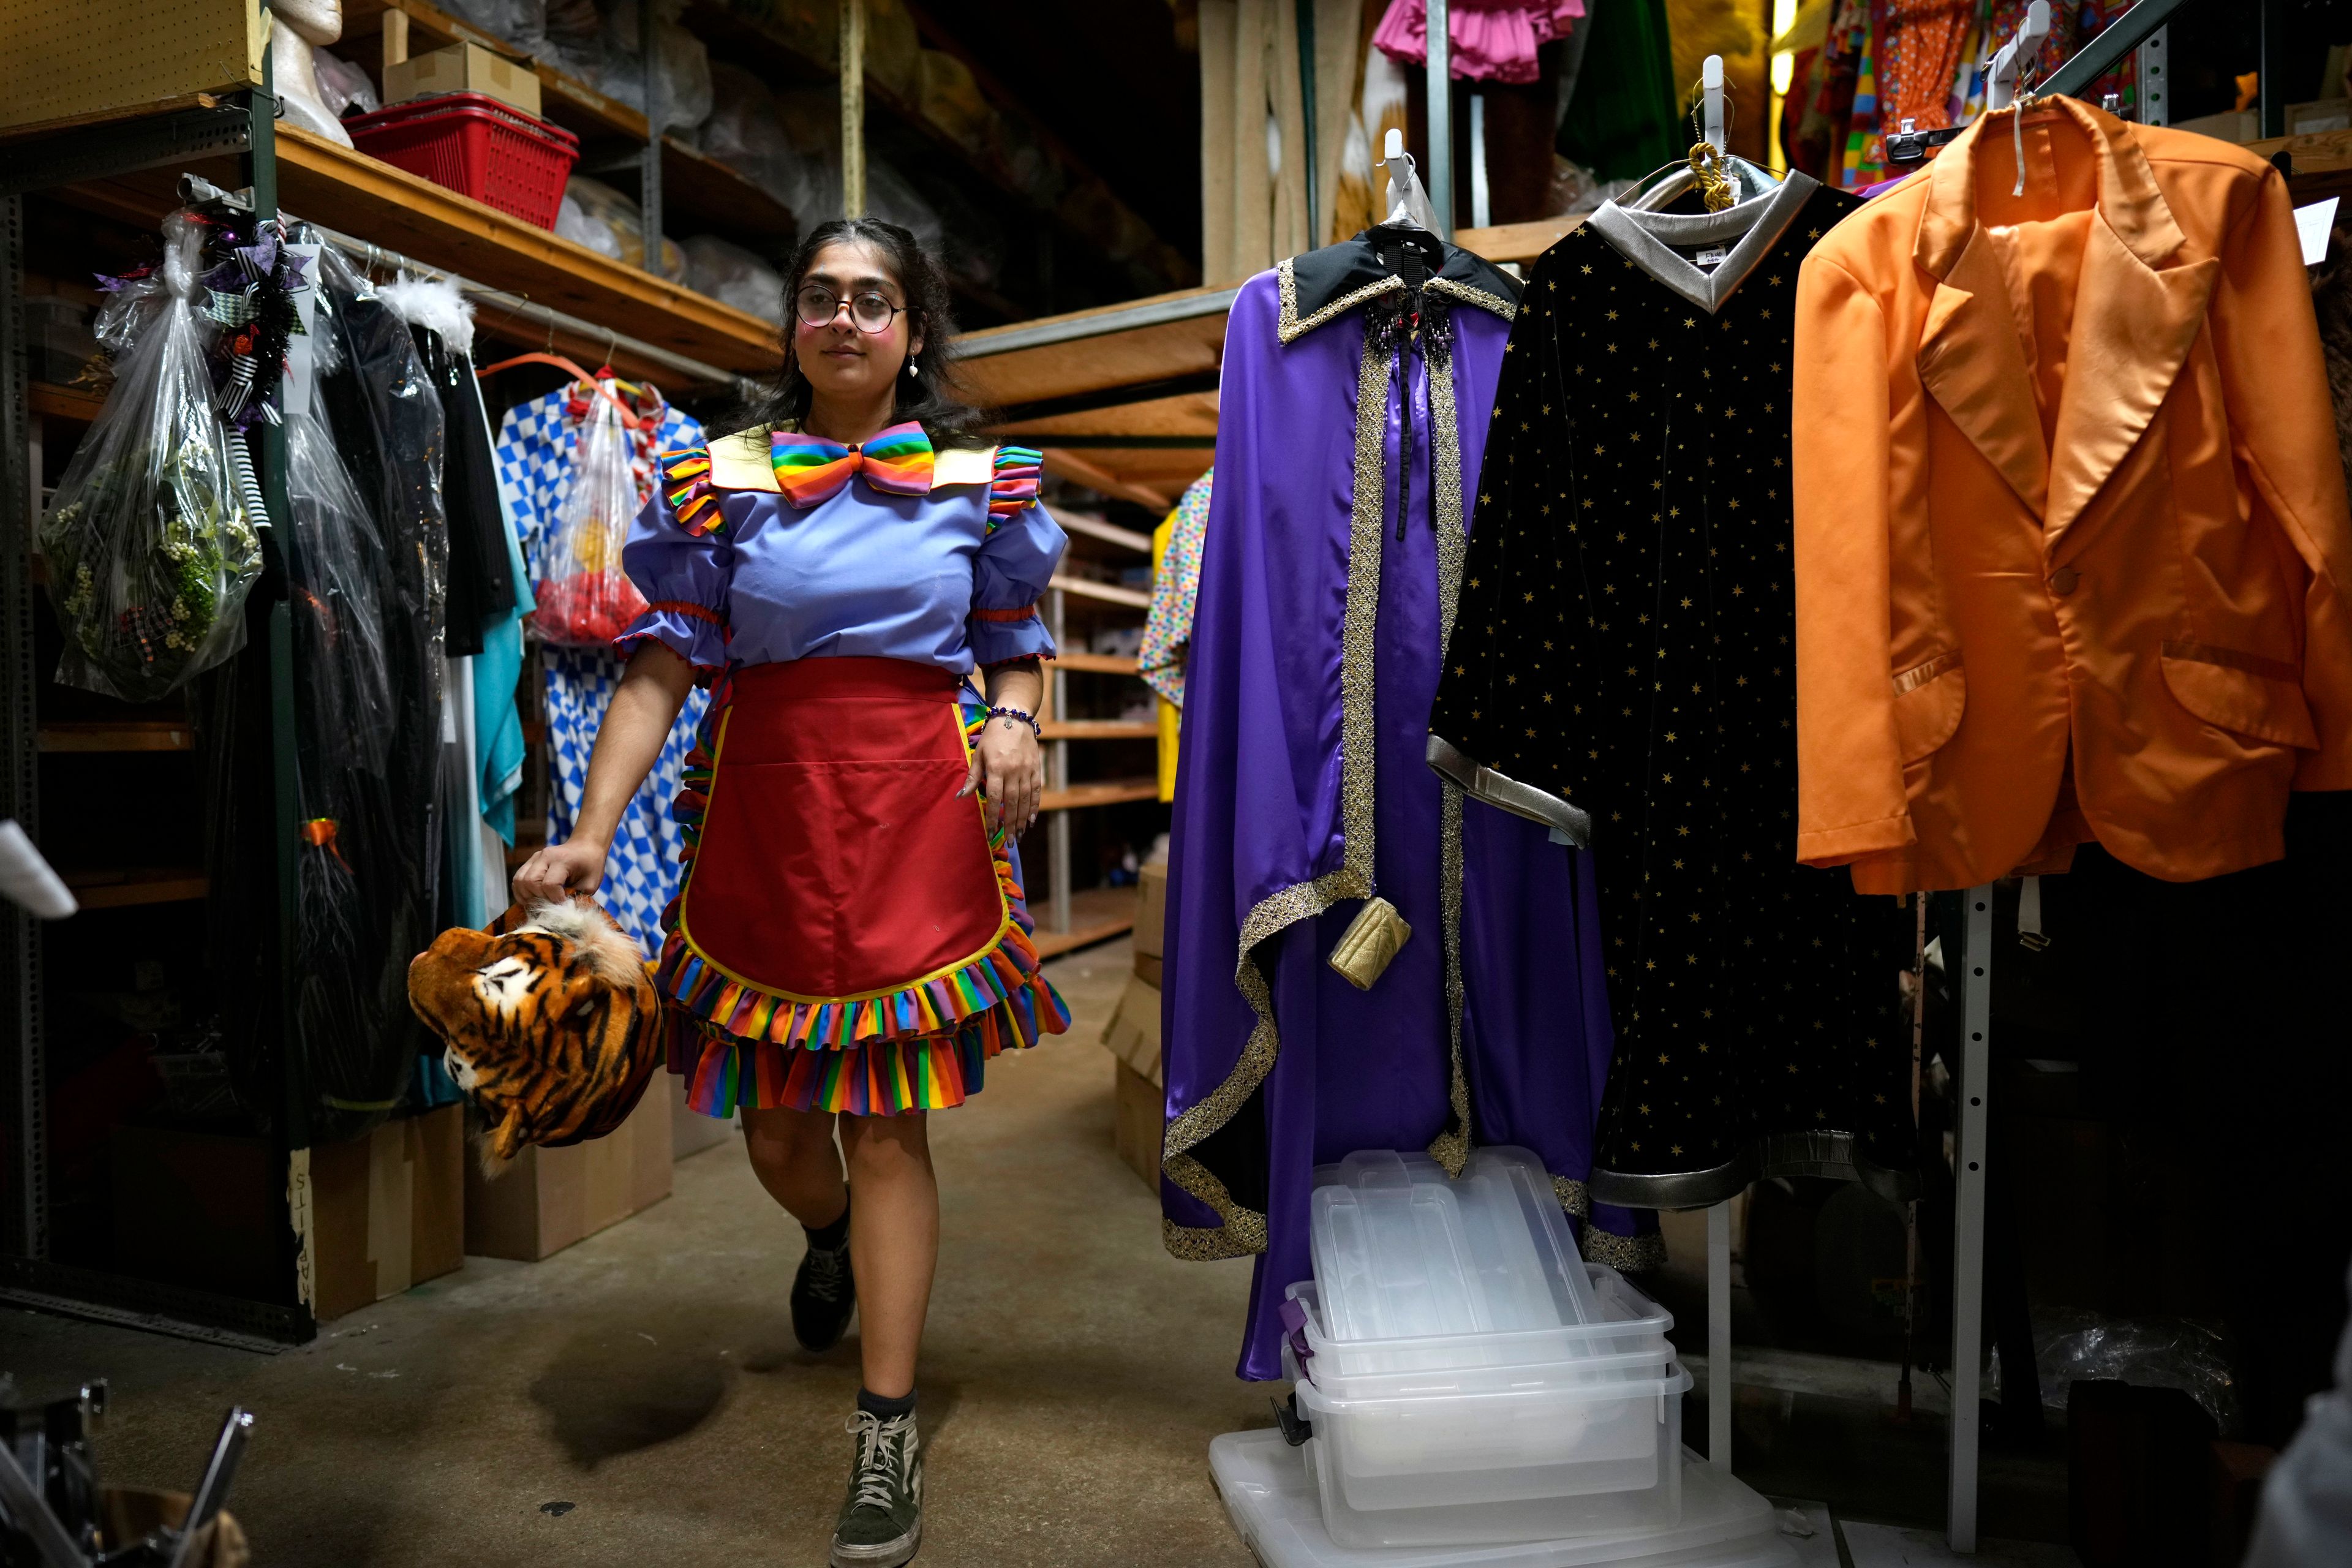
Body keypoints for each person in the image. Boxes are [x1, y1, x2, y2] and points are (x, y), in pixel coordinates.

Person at [512, 217, 1071, 1568]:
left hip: (913, 821)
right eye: (821, 298)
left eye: (872, 300)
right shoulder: (720, 474)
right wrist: (591, 831)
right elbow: (656, 669)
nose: (844, 319)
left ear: (913, 332)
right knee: (777, 1134)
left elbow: (1016, 642)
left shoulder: (980, 480)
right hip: (760, 819)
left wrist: (1013, 720)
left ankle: (884, 1425)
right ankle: (821, 1231)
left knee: (887, 1129)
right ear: (794, 327)